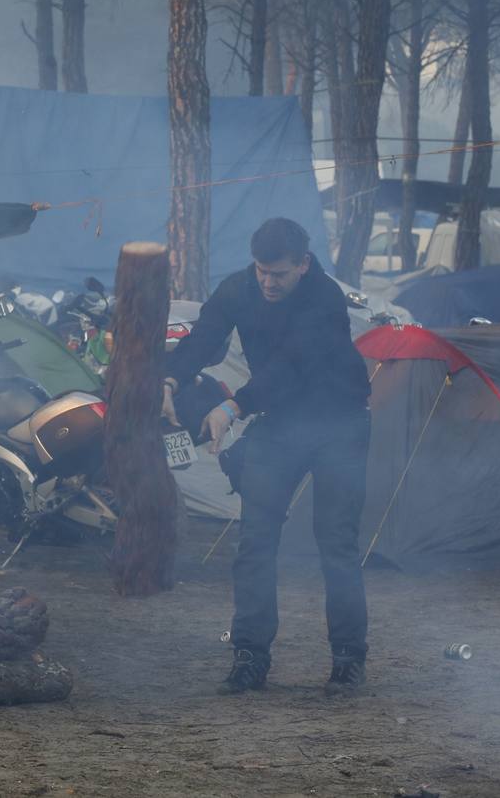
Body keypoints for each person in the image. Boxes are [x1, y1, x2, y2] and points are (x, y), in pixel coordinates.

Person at [162, 218, 372, 696]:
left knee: (336, 543)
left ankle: (347, 657)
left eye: (278, 273)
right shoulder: (240, 288)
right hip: (279, 424)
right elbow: (204, 336)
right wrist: (171, 378)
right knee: (255, 540)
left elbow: (293, 366)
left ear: (303, 264)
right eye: (261, 271)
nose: (268, 282)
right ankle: (250, 655)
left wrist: (233, 406)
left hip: (339, 423)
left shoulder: (324, 297)